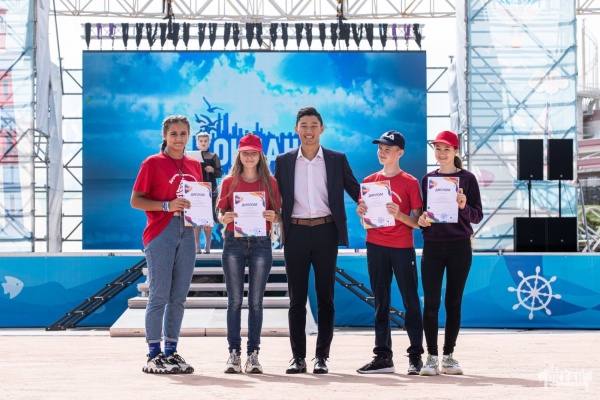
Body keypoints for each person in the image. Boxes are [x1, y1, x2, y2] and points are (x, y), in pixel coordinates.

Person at [274, 106, 360, 374]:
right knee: (296, 299)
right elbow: (273, 195)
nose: (309, 131)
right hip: (295, 233)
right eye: (304, 126)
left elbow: (356, 190)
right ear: (296, 129)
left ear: (322, 129)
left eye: (314, 125)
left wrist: (376, 205)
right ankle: (297, 358)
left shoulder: (336, 159)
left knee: (326, 298)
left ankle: (321, 357)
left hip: (326, 231)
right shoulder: (284, 161)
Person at [131, 115, 202, 374]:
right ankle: (153, 354)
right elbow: (136, 200)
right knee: (159, 294)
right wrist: (166, 206)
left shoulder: (194, 165)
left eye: (183, 133)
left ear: (188, 136)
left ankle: (171, 352)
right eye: (174, 134)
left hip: (188, 231)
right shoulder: (152, 163)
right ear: (165, 136)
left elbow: (198, 199)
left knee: (179, 297)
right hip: (161, 230)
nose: (179, 138)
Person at [355, 131, 424, 375]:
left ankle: (415, 356)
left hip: (402, 248)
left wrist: (399, 215)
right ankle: (383, 357)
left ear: (400, 153)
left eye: (388, 148)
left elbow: (418, 222)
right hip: (375, 245)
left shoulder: (410, 182)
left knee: (410, 301)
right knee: (380, 302)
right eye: (380, 148)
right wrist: (362, 213)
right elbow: (366, 222)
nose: (382, 152)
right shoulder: (369, 181)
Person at [417, 130, 483, 376]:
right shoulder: (428, 179)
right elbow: (423, 214)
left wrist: (463, 207)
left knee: (453, 303)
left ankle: (448, 357)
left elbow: (477, 216)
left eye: (446, 149)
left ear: (456, 151)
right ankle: (431, 357)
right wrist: (422, 220)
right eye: (437, 148)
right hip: (432, 246)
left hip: (459, 246)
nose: (441, 153)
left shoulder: (468, 179)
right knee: (431, 303)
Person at [216, 133, 281, 374]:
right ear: (239, 155)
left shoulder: (271, 183)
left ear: (261, 155)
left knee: (255, 302)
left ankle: (253, 355)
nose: (250, 157)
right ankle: (234, 354)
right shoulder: (229, 182)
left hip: (261, 243)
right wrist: (224, 218)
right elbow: (220, 213)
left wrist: (274, 217)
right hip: (233, 242)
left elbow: (278, 214)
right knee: (234, 301)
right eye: (246, 153)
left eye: (254, 153)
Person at [193, 131, 222, 254]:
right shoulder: (191, 157)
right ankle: (197, 246)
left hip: (210, 189)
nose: (203, 143)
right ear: (197, 143)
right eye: (201, 141)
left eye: (205, 141)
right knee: (196, 219)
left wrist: (212, 170)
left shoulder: (213, 156)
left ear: (209, 142)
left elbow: (219, 173)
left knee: (208, 219)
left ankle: (208, 246)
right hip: (196, 188)